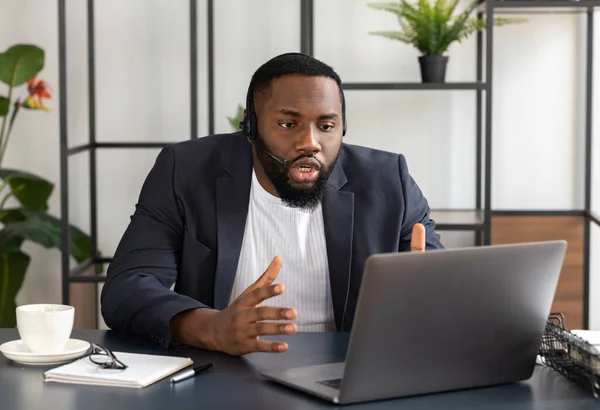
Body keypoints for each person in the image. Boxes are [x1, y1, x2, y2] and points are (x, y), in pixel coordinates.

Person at [100, 52, 444, 357]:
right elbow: (127, 288)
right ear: (250, 126)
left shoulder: (388, 181)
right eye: (288, 124)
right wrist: (213, 328)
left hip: (346, 372)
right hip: (226, 372)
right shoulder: (186, 170)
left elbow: (442, 290)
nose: (310, 143)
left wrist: (426, 292)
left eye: (326, 126)